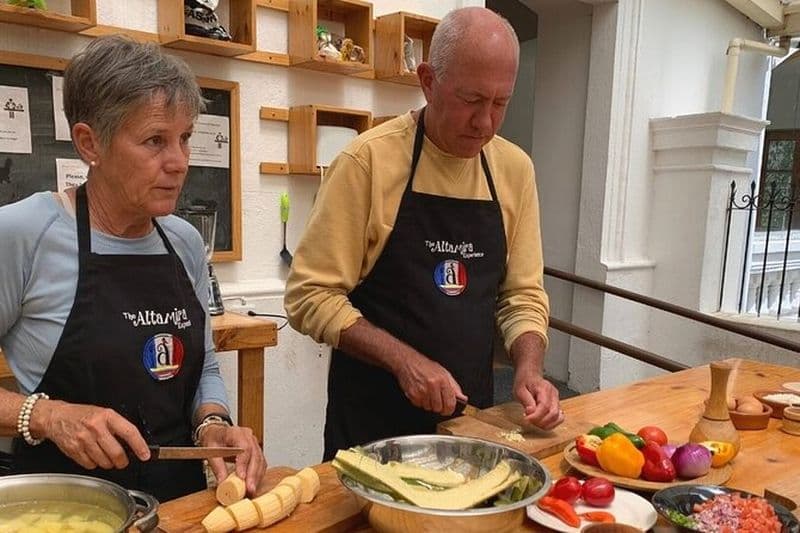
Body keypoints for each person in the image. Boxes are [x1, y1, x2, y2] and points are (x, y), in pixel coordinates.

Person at [284, 6, 563, 461]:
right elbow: (309, 296)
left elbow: (522, 294)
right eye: (472, 100)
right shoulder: (367, 163)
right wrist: (404, 361)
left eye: (500, 104)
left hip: (468, 424)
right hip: (371, 431)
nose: (485, 123)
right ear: (428, 81)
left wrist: (529, 369)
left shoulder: (514, 170)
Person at [0, 36, 265, 501]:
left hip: (180, 505)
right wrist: (48, 416)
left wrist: (212, 422)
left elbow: (202, 365)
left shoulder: (184, 242)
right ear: (90, 143)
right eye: (154, 141)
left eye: (185, 138)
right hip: (66, 506)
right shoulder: (24, 233)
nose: (179, 162)